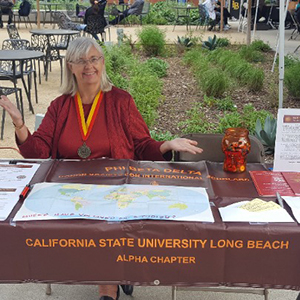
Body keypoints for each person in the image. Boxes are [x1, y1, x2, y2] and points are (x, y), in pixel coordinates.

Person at [0, 37, 203, 300]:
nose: (89, 66)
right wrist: (19, 125)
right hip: (70, 189)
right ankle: (117, 273)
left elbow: (142, 146)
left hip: (115, 187)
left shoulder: (120, 101)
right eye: (81, 60)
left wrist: (165, 145)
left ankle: (109, 289)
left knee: (105, 223)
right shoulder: (60, 106)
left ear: (102, 62)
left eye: (94, 59)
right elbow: (38, 150)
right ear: (70, 66)